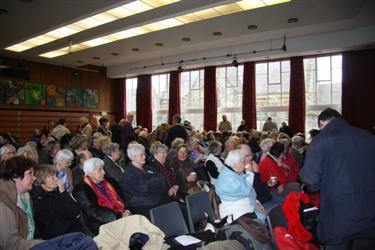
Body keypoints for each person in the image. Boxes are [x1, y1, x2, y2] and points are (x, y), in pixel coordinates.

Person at [300, 108, 375, 250]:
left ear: (321, 122)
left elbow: (311, 181)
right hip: (370, 215)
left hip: (338, 217)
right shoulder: (368, 137)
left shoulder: (321, 140)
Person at [0, 156, 97, 250]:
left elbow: (75, 211)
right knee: (86, 243)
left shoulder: (25, 196)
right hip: (47, 239)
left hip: (66, 233)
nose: (33, 178)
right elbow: (11, 244)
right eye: (30, 174)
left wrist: (63, 192)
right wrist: (46, 242)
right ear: (16, 177)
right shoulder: (9, 203)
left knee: (87, 241)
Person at [73, 158, 129, 235]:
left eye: (103, 169)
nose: (104, 172)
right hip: (101, 223)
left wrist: (127, 210)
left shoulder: (110, 181)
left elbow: (124, 196)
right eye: (100, 170)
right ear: (90, 173)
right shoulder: (81, 189)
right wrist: (119, 216)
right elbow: (92, 212)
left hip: (123, 215)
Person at [31, 165, 83, 239]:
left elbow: (76, 211)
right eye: (52, 177)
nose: (56, 179)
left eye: (55, 175)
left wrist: (63, 192)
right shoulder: (38, 199)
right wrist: (72, 221)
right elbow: (49, 227)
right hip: (58, 237)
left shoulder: (59, 191)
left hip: (73, 229)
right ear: (41, 181)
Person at [215, 149, 266, 222]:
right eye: (243, 162)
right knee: (263, 220)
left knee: (265, 216)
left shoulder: (232, 171)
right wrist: (250, 173)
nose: (245, 164)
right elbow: (247, 190)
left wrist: (256, 202)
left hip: (245, 207)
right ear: (237, 164)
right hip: (237, 214)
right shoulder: (229, 179)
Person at [120, 144, 168, 218]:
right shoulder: (129, 173)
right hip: (142, 205)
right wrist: (155, 181)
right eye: (141, 155)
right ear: (133, 157)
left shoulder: (148, 168)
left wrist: (152, 183)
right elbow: (143, 189)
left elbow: (162, 179)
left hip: (157, 199)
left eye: (144, 154)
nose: (144, 157)